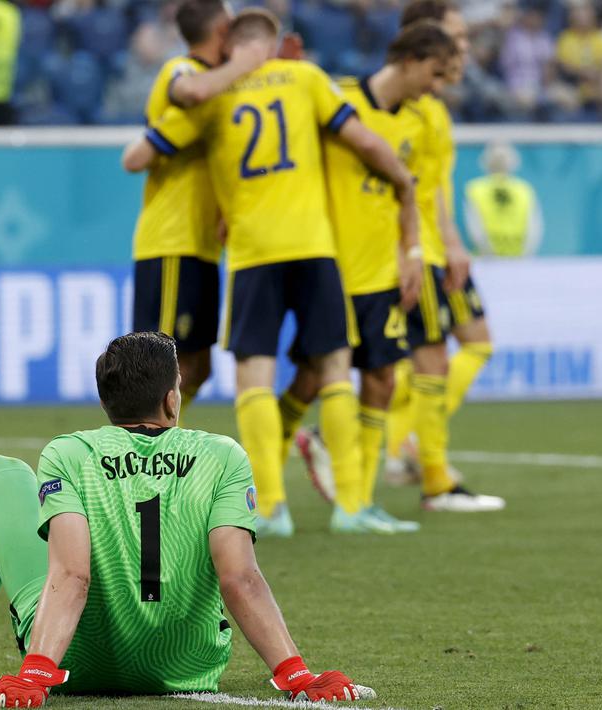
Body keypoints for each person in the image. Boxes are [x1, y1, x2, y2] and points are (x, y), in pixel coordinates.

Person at [0, 332, 374, 705]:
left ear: (106, 404)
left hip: (73, 663)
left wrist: (34, 675)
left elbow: (72, 574)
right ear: (172, 400)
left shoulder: (69, 453)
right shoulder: (222, 456)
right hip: (188, 667)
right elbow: (240, 577)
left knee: (1, 471)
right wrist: (296, 675)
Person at [124, 9, 418, 537]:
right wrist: (404, 181)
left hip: (253, 251)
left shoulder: (218, 96)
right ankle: (351, 506)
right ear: (273, 43)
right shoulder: (306, 79)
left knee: (253, 374)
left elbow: (148, 144)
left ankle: (270, 508)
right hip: (312, 245)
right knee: (334, 367)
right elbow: (366, 141)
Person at [281, 22, 458, 535]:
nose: (436, 86)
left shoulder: (420, 121)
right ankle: (262, 477)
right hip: (329, 267)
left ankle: (355, 503)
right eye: (434, 72)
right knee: (311, 379)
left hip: (382, 271)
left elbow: (412, 191)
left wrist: (412, 252)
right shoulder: (337, 97)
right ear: (409, 58)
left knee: (382, 379)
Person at [378, 0, 504, 512]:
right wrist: (429, 245)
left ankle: (407, 449)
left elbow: (435, 188)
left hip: (432, 244)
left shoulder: (433, 108)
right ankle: (420, 463)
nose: (463, 49)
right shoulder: (408, 108)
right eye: (455, 38)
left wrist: (452, 240)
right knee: (433, 355)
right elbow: (413, 191)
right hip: (414, 249)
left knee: (448, 350)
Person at [119, 0, 272, 423]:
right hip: (171, 240)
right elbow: (187, 96)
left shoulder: (220, 94)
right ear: (222, 30)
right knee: (158, 366)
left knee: (198, 367)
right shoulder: (181, 71)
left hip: (202, 246)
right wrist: (246, 63)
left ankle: (158, 440)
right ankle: (134, 460)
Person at [464, 141, 543, 257]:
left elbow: (475, 230)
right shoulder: (523, 189)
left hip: (486, 259)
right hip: (516, 259)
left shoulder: (476, 188)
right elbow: (534, 230)